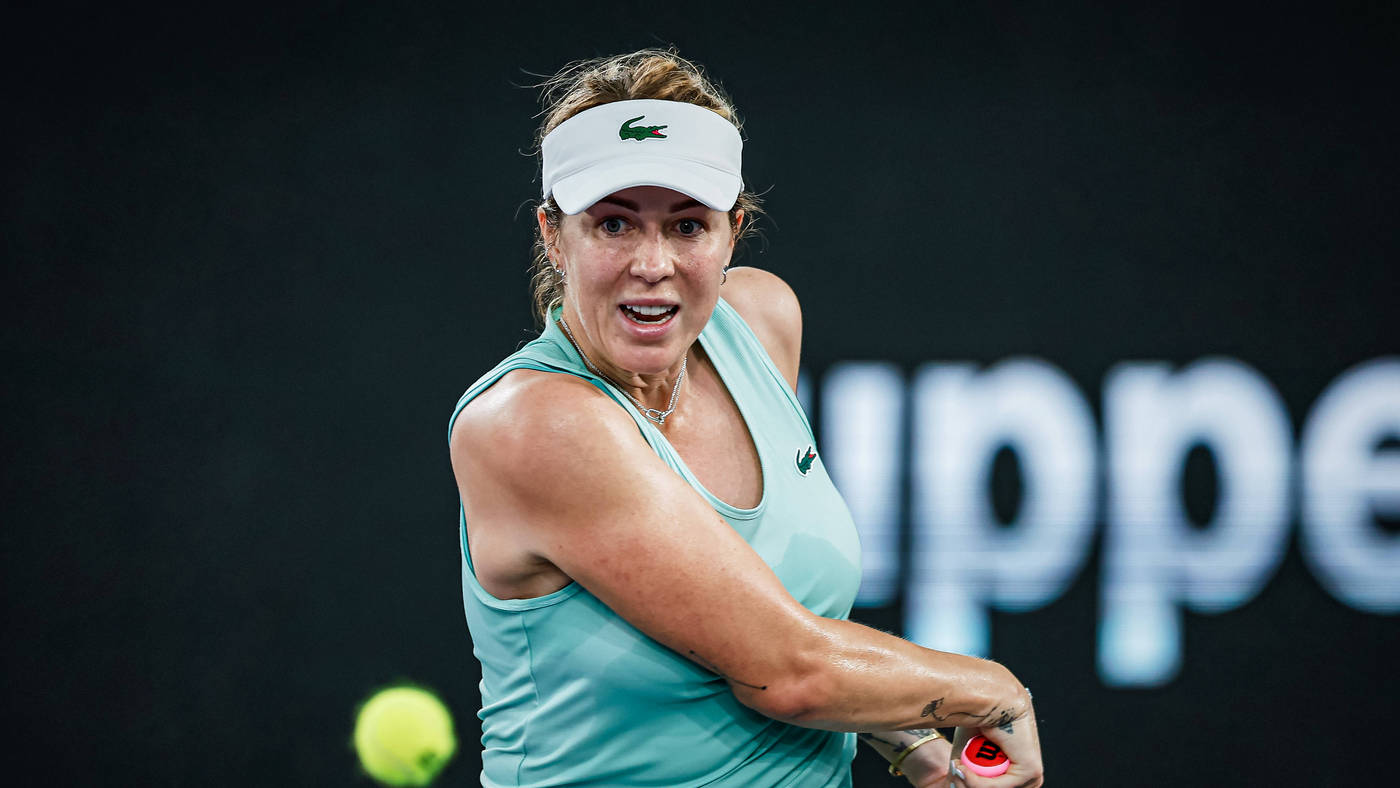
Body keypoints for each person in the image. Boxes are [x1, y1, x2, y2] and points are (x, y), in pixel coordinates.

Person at [448, 49, 1044, 788]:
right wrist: (996, 693)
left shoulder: (760, 323)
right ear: (552, 235)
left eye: (687, 226)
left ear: (733, 231)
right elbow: (790, 671)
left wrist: (912, 741)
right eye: (614, 224)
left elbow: (749, 613)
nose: (652, 264)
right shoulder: (535, 424)